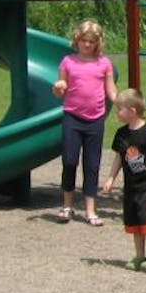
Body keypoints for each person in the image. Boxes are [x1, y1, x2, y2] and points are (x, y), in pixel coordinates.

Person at [52, 19, 118, 226]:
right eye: (83, 40)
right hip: (72, 117)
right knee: (70, 161)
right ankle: (67, 205)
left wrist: (123, 103)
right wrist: (59, 87)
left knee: (92, 164)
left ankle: (90, 210)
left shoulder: (104, 63)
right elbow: (61, 90)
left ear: (97, 42)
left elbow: (111, 91)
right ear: (77, 40)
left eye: (91, 41)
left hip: (95, 119)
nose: (87, 45)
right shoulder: (68, 62)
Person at [101, 89, 146, 273]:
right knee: (134, 223)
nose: (117, 113)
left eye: (119, 109)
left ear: (132, 111)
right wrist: (110, 178)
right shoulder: (121, 134)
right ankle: (140, 255)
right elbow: (119, 158)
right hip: (131, 187)